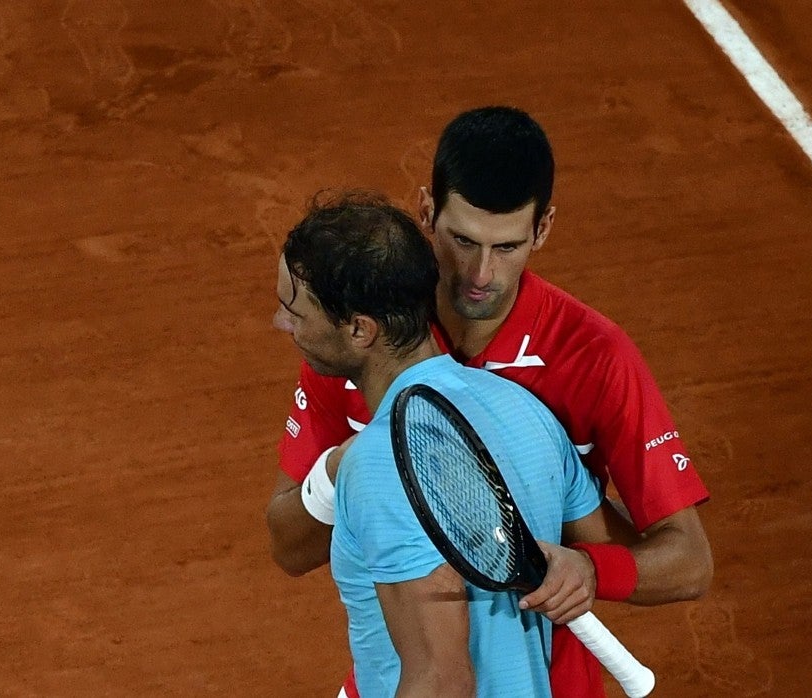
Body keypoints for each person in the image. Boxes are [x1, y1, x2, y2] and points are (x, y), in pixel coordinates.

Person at [265, 106, 713, 697]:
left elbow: (688, 561)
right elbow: (290, 546)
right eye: (462, 241)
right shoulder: (363, 328)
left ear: (543, 229)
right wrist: (344, 466)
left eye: (507, 247)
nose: (481, 274)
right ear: (427, 212)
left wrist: (589, 569)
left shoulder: (594, 357)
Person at [273, 192, 608, 697]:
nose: (284, 325)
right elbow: (597, 552)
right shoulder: (527, 412)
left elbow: (441, 680)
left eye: (295, 311)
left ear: (360, 330)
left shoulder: (381, 464)